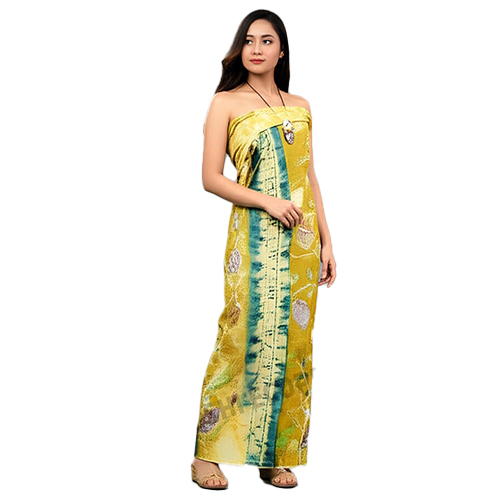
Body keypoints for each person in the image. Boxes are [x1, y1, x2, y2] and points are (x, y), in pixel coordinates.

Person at [191, 9, 336, 489]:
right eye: (249, 40)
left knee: (294, 345)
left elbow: (309, 177)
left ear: (281, 51)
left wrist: (328, 241)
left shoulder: (301, 105)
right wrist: (267, 202)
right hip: (253, 237)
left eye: (267, 40)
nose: (256, 48)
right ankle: (206, 455)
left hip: (301, 242)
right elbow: (211, 178)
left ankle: (275, 455)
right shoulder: (225, 103)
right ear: (240, 49)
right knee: (239, 336)